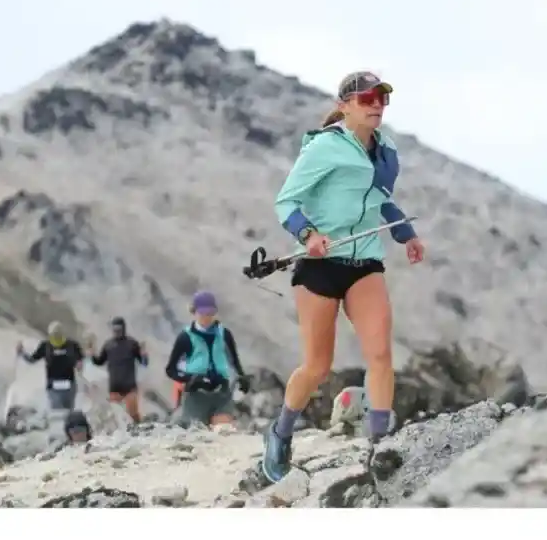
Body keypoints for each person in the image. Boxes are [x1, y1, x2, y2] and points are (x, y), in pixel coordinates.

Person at [261, 71, 425, 484]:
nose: (376, 105)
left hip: (365, 262)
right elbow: (287, 201)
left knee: (381, 355)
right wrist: (308, 234)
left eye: (382, 98)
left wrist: (407, 235)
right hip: (320, 266)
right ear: (346, 104)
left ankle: (379, 447)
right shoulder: (324, 148)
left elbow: (382, 203)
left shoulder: (386, 151)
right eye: (367, 98)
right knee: (317, 366)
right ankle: (280, 433)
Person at [164, 291, 251, 427]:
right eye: (203, 313)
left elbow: (234, 361)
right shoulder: (185, 337)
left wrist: (242, 377)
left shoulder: (225, 334)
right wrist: (189, 379)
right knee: (199, 437)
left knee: (223, 432)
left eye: (210, 313)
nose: (206, 317)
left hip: (221, 393)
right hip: (195, 396)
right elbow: (170, 370)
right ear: (194, 312)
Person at [87, 316, 148, 423]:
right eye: (115, 330)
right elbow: (99, 361)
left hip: (130, 387)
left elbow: (144, 363)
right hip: (115, 388)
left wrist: (144, 355)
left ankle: (140, 432)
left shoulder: (132, 343)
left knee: (133, 414)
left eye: (119, 330)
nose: (117, 332)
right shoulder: (108, 345)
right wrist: (92, 353)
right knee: (116, 417)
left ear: (123, 329)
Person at [16, 321, 85, 411]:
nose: (56, 336)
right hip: (53, 387)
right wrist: (22, 352)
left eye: (58, 334)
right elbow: (32, 359)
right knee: (57, 412)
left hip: (69, 385)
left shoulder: (72, 345)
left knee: (69, 412)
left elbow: (81, 359)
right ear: (50, 334)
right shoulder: (45, 346)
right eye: (54, 334)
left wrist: (79, 365)